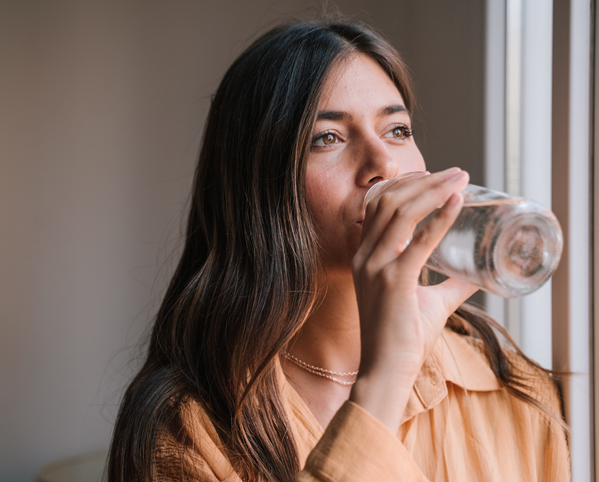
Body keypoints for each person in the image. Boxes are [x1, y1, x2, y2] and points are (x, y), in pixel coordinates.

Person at [109, 17, 570, 481]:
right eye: (327, 138)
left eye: (397, 130)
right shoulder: (186, 433)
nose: (384, 163)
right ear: (257, 186)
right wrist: (384, 379)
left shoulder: (509, 385)